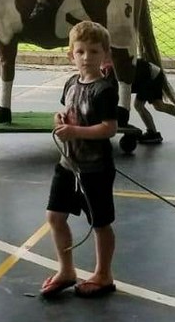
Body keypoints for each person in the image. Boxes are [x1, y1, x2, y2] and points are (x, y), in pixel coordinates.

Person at [41, 20, 119, 300]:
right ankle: (66, 270)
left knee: (100, 223)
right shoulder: (71, 83)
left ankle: (103, 274)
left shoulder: (105, 89)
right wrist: (60, 119)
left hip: (95, 169)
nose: (87, 57)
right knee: (55, 217)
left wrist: (75, 132)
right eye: (81, 51)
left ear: (105, 55)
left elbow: (109, 128)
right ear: (70, 54)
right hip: (67, 164)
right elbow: (68, 111)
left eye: (94, 51)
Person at [107, 56, 175, 144]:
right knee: (159, 106)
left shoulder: (112, 77)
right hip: (151, 74)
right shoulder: (112, 74)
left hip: (149, 76)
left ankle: (153, 133)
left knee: (139, 105)